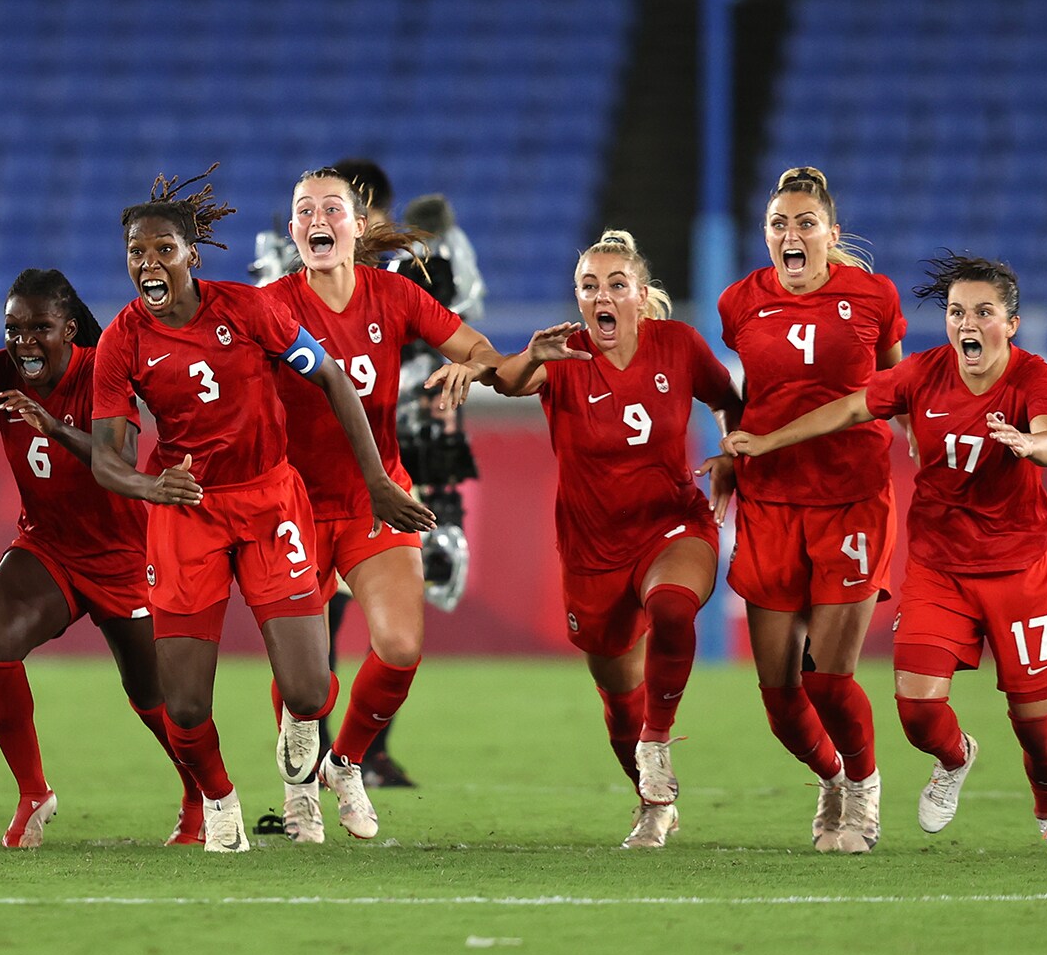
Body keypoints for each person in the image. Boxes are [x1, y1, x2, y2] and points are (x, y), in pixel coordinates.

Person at [88, 168, 434, 852]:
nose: (148, 264)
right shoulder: (121, 342)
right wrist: (146, 486)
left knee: (308, 691)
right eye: (136, 252)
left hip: (272, 499)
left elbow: (331, 375)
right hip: (187, 513)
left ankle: (309, 741)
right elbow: (107, 456)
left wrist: (378, 481)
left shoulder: (248, 310)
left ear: (191, 255)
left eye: (162, 250)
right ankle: (219, 802)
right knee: (184, 704)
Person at [724, 254, 1047, 856]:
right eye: (955, 312)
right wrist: (765, 440)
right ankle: (956, 757)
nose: (966, 323)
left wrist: (1030, 443)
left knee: (1035, 722)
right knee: (918, 714)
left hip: (1019, 569)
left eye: (983, 312)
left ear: (1011, 323)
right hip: (939, 567)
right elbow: (846, 408)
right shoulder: (922, 374)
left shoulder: (1033, 377)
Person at [258, 166, 501, 842]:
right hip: (293, 509)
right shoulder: (269, 306)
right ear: (292, 232)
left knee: (399, 646)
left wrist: (472, 365)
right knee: (304, 672)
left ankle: (347, 764)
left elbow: (476, 346)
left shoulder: (393, 296)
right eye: (304, 210)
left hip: (378, 497)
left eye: (332, 209)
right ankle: (298, 792)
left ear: (358, 226)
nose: (317, 220)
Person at [0, 268, 202, 847]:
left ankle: (199, 795)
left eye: (38, 328)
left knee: (155, 699)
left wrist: (52, 427)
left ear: (69, 329)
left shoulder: (104, 368)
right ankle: (32, 792)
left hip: (123, 553)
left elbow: (117, 458)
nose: (22, 341)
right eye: (13, 328)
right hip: (47, 545)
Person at [494, 231, 741, 848]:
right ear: (578, 297)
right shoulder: (564, 355)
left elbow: (728, 399)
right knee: (617, 692)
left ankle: (659, 739)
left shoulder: (677, 344)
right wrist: (532, 356)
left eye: (614, 285)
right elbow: (505, 383)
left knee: (673, 607)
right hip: (592, 547)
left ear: (638, 295)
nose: (600, 296)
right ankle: (652, 802)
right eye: (588, 286)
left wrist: (732, 453)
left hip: (671, 522)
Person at [718, 166, 907, 853]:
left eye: (804, 223)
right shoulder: (739, 302)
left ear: (830, 232)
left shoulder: (873, 295)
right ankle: (831, 775)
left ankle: (864, 793)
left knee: (828, 679)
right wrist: (729, 454)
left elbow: (892, 383)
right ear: (765, 236)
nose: (790, 235)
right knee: (777, 697)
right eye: (778, 224)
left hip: (851, 502)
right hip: (770, 503)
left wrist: (922, 437)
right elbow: (748, 397)